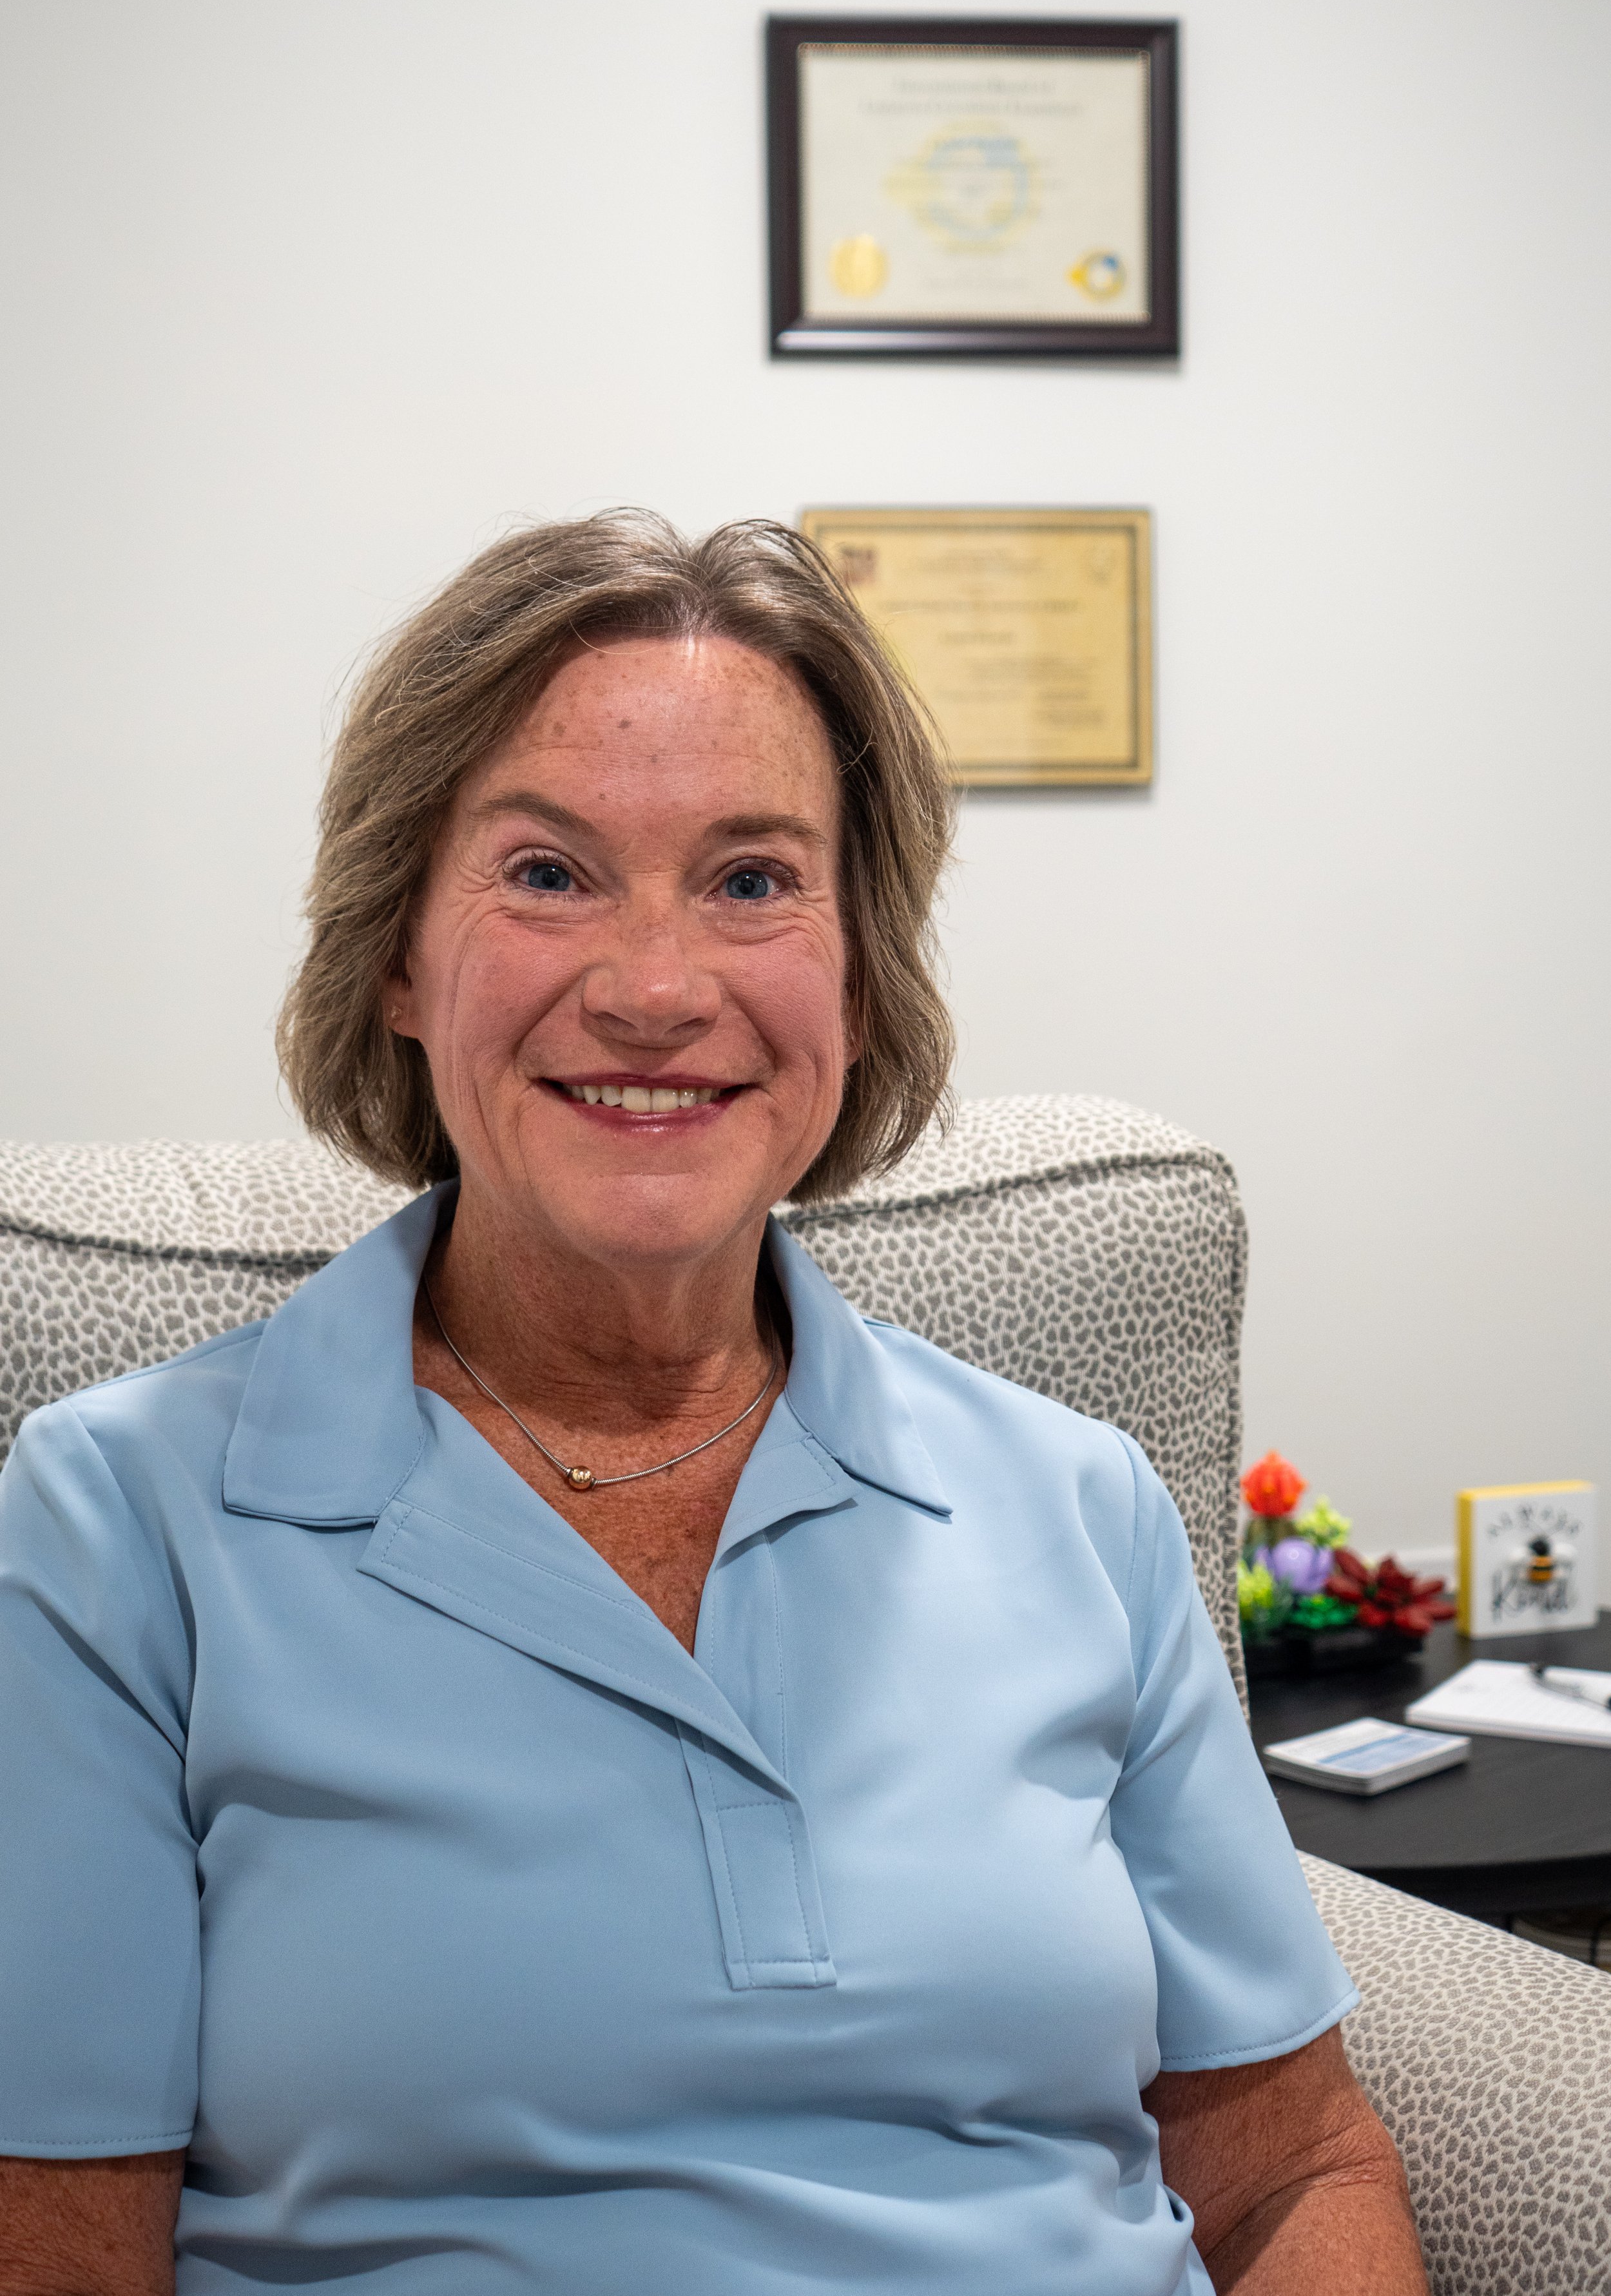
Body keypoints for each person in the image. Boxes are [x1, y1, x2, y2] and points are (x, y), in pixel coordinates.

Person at [0, 514, 1427, 2295]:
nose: (658, 990)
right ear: (392, 957)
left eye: (752, 881)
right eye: (546, 873)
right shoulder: (119, 1519)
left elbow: (1291, 2168)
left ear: (854, 965)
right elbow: (61, 2245)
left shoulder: (1078, 1504)